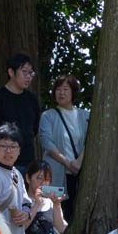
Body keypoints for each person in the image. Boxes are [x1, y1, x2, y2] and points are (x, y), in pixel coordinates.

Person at [38, 75, 89, 221]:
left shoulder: (85, 116)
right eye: (58, 89)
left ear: (73, 92)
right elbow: (46, 142)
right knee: (54, 213)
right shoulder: (48, 116)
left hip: (79, 173)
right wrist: (68, 163)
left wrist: (78, 162)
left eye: (66, 89)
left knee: (76, 213)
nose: (61, 93)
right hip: (55, 173)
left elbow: (89, 142)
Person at [0, 53, 40, 171]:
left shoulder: (32, 100)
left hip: (28, 164)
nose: (28, 76)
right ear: (11, 72)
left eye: (30, 73)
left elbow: (34, 130)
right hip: (2, 165)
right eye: (24, 72)